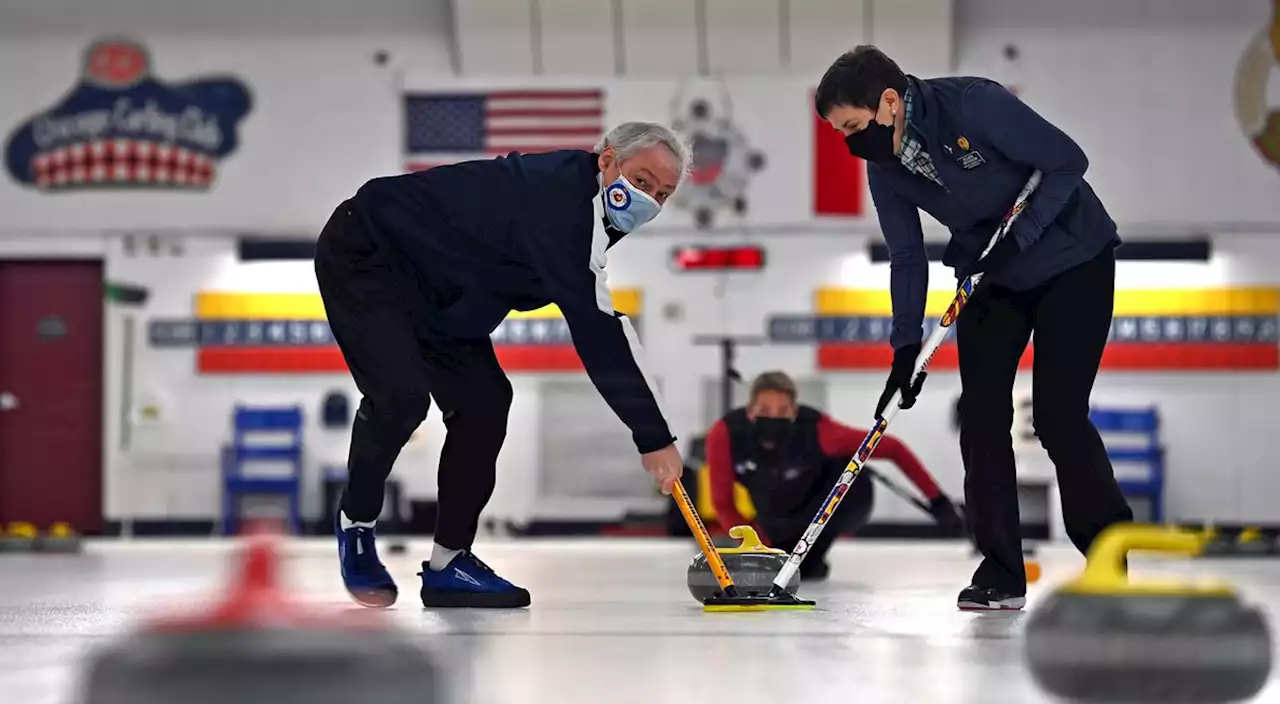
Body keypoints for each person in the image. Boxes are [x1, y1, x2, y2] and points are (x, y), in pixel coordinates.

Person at [314, 123, 690, 609]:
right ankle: (357, 524)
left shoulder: (596, 218)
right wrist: (654, 437)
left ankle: (449, 563)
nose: (649, 200)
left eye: (662, 194)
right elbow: (598, 328)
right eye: (641, 181)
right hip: (370, 254)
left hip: (445, 294)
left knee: (486, 403)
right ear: (607, 161)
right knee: (401, 399)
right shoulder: (563, 200)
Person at [814, 46, 1134, 611]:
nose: (849, 142)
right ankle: (1000, 572)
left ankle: (1108, 554)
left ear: (889, 102)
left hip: (1072, 260)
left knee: (1059, 417)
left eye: (853, 126)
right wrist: (904, 348)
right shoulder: (884, 168)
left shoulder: (974, 105)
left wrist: (1023, 233)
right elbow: (906, 257)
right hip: (990, 275)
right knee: (981, 417)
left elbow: (1068, 161)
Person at [704, 371, 964, 581]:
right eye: (763, 411)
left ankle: (814, 549)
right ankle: (802, 558)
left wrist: (938, 500)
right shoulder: (726, 434)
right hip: (772, 519)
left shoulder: (818, 430)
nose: (773, 418)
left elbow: (891, 448)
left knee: (848, 473)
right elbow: (723, 503)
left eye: (782, 411)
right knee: (805, 573)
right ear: (750, 411)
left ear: (794, 413)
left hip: (818, 515)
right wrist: (759, 547)